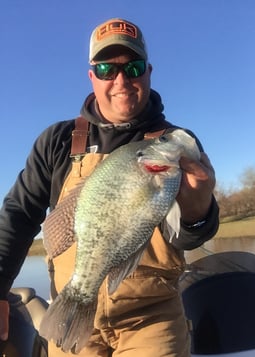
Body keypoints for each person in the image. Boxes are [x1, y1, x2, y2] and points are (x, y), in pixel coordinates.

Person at [0, 18, 219, 357]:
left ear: (148, 71)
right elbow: (17, 217)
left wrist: (198, 213)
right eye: (106, 68)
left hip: (152, 319)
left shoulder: (174, 144)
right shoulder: (57, 142)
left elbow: (187, 237)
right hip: (73, 318)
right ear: (92, 75)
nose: (121, 80)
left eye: (133, 67)